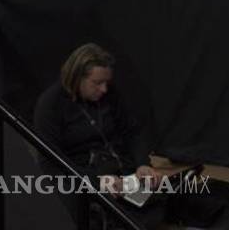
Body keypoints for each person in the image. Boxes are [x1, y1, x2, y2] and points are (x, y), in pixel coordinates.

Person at [34, 43, 164, 227]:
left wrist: (143, 164)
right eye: (97, 83)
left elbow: (132, 131)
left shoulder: (109, 94)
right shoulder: (50, 105)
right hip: (84, 176)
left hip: (121, 174)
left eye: (106, 83)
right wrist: (95, 182)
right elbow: (50, 163)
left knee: (157, 201)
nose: (104, 89)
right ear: (77, 78)